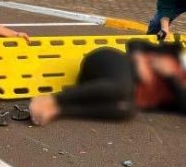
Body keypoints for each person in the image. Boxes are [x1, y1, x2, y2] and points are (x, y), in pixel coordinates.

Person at [29, 41, 186, 126]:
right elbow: (136, 44)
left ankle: (59, 110)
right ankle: (53, 99)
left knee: (128, 111)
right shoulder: (174, 53)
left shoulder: (179, 93)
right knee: (123, 87)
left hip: (111, 92)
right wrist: (140, 61)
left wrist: (170, 75)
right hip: (110, 61)